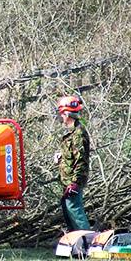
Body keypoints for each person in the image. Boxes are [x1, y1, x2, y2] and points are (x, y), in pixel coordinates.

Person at [54, 95, 91, 231]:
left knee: (75, 211)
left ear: (67, 114)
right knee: (68, 209)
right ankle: (78, 245)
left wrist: (75, 183)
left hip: (73, 181)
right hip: (67, 180)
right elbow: (72, 156)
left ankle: (88, 243)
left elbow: (81, 160)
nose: (61, 117)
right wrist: (61, 157)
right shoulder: (72, 133)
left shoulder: (79, 133)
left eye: (62, 114)